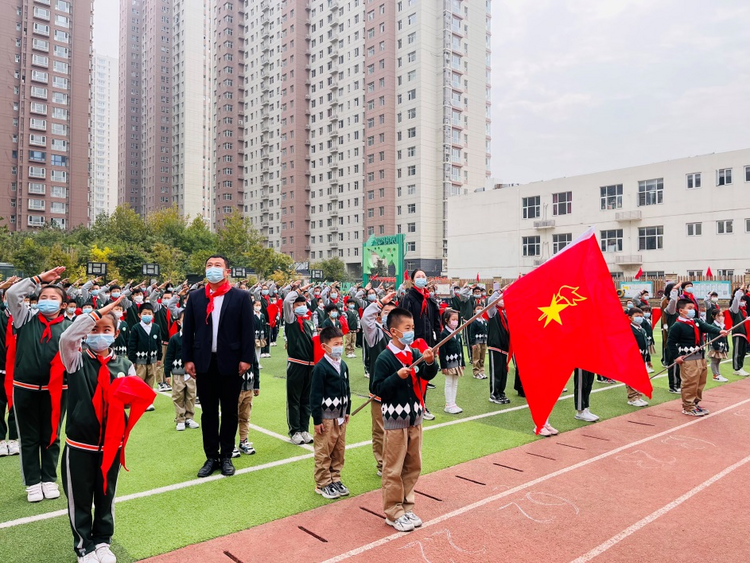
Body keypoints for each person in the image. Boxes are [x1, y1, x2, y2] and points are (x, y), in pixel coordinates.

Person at [59, 297, 155, 563]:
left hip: (112, 444)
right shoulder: (75, 360)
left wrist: (127, 392)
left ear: (116, 334)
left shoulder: (124, 365)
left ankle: (102, 541)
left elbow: (134, 398)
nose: (99, 335)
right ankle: (84, 547)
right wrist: (96, 313)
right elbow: (67, 337)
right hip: (80, 444)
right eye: (93, 329)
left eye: (106, 330)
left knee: (105, 495)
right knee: (79, 498)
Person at [182, 255, 255, 478]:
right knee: (209, 412)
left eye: (217, 266)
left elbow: (247, 330)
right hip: (204, 362)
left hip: (231, 362)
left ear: (227, 272)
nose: (213, 269)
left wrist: (246, 358)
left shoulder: (241, 297)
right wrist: (188, 359)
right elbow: (188, 331)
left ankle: (226, 457)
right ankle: (211, 456)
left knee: (230, 411)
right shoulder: (195, 297)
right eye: (209, 266)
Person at [7, 267, 72, 502]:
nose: (46, 301)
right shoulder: (25, 318)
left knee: (52, 436)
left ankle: (49, 479)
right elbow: (13, 294)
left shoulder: (70, 327)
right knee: (29, 437)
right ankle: (33, 483)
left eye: (53, 298)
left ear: (63, 305)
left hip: (58, 391)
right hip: (25, 387)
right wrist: (39, 280)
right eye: (42, 297)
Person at [372, 307, 438, 532]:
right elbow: (377, 388)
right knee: (394, 467)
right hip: (395, 421)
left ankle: (407, 506)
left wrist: (429, 362)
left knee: (413, 465)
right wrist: (396, 377)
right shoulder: (385, 358)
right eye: (406, 328)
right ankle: (393, 511)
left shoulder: (413, 353)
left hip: (415, 418)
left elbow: (427, 375)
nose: (411, 332)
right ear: (394, 332)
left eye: (412, 328)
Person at [310, 327, 351, 500]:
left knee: (338, 450)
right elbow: (315, 395)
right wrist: (317, 419)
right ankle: (322, 483)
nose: (339, 347)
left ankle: (335, 478)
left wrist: (347, 410)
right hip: (326, 417)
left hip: (341, 416)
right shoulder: (321, 368)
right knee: (324, 450)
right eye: (335, 344)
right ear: (324, 347)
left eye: (341, 344)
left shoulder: (343, 365)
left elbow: (347, 389)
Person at [668, 298, 727, 416]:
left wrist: (719, 331)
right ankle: (688, 406)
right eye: (689, 309)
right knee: (690, 382)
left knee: (700, 382)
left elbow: (708, 327)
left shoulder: (696, 322)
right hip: (688, 359)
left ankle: (695, 403)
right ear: (681, 310)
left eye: (693, 308)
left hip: (700, 357)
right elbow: (670, 343)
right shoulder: (677, 326)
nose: (692, 311)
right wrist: (676, 357)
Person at [362, 291, 397, 476]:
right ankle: (383, 463)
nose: (387, 316)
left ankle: (397, 461)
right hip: (379, 391)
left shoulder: (403, 337)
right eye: (385, 312)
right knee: (380, 430)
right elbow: (366, 318)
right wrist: (381, 303)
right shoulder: (375, 334)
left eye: (392, 313)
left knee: (399, 428)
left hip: (399, 391)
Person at [401, 270, 441, 421]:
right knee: (412, 376)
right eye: (418, 277)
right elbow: (404, 320)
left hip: (428, 343)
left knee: (424, 376)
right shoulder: (408, 298)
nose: (421, 279)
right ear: (412, 281)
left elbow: (436, 322)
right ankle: (412, 405)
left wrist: (435, 344)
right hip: (413, 343)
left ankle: (421, 405)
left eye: (423, 276)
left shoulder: (430, 299)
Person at [283, 281, 316, 445]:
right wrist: (298, 290)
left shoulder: (309, 322)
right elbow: (286, 302)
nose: (302, 306)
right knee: (294, 400)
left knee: (306, 400)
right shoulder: (291, 321)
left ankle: (304, 429)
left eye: (304, 303)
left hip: (310, 367)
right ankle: (294, 431)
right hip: (296, 365)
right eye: (298, 304)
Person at [165, 311, 199, 432]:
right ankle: (180, 419)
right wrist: (167, 373)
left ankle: (189, 417)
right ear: (179, 322)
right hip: (178, 372)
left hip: (192, 374)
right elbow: (168, 356)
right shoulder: (174, 338)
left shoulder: (196, 338)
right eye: (185, 319)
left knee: (191, 395)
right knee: (178, 396)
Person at [127, 302, 162, 411]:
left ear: (153, 315)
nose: (147, 315)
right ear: (139, 315)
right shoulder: (136, 328)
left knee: (150, 380)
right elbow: (132, 344)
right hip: (139, 360)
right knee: (139, 380)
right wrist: (132, 359)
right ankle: (138, 401)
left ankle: (148, 402)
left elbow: (158, 343)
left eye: (149, 313)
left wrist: (159, 357)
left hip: (152, 359)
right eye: (145, 313)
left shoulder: (156, 327)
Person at [0, 276, 20, 458]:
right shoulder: (1, 316)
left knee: (16, 407)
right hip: (0, 368)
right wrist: (2, 287)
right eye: (7, 298)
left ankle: (14, 439)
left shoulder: (24, 319)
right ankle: (0, 440)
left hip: (18, 370)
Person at [486, 291, 512, 405]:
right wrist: (499, 292)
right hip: (495, 346)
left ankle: (501, 393)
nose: (502, 301)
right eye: (500, 299)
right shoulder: (493, 312)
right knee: (495, 371)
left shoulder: (506, 314)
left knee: (503, 372)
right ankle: (494, 394)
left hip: (504, 347)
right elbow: (491, 301)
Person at [439, 308, 465, 414]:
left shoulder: (457, 333)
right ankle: (448, 404)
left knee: (455, 383)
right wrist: (444, 366)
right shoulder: (444, 334)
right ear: (446, 320)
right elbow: (442, 351)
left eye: (456, 319)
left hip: (457, 363)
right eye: (453, 319)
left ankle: (453, 403)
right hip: (449, 363)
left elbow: (461, 349)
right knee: (449, 383)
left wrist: (462, 362)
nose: (455, 322)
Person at [626, 308, 650, 407]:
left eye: (641, 316)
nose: (639, 318)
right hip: (632, 357)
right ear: (630, 317)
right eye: (637, 316)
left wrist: (648, 359)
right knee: (632, 377)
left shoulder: (642, 330)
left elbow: (645, 344)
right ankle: (632, 397)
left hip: (642, 357)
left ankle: (638, 396)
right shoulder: (628, 329)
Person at [660, 283, 681, 393]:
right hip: (672, 343)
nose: (678, 299)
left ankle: (679, 384)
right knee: (673, 364)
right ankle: (673, 386)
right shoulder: (670, 311)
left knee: (679, 365)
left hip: (679, 342)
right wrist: (675, 289)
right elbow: (673, 301)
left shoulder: (677, 313)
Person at [729, 285, 749, 376]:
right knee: (737, 351)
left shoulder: (744, 311)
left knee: (743, 351)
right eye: (741, 300)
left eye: (744, 300)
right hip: (738, 332)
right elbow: (736, 300)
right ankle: (737, 368)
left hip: (745, 333)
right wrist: (740, 290)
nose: (743, 302)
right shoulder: (735, 309)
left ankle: (740, 367)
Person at [467, 301, 488, 379]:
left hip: (484, 341)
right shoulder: (474, 321)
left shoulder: (485, 321)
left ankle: (482, 371)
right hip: (476, 342)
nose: (480, 310)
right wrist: (473, 343)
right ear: (474, 311)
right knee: (476, 357)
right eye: (478, 309)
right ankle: (476, 372)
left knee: (482, 357)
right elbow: (471, 333)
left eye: (481, 308)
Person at [708, 309, 729, 382]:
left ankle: (718, 374)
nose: (721, 317)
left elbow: (725, 338)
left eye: (722, 315)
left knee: (718, 361)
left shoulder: (723, 326)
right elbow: (712, 337)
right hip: (715, 347)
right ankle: (715, 375)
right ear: (714, 316)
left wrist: (727, 347)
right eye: (719, 315)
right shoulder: (713, 326)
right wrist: (716, 346)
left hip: (722, 346)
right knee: (714, 361)